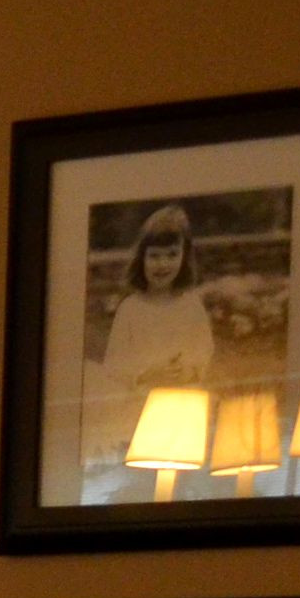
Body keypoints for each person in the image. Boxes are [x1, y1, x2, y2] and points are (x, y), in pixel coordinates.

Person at [90, 204, 216, 499]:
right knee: (143, 488)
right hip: (139, 415)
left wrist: (188, 369)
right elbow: (115, 365)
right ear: (142, 258)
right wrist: (148, 374)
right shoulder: (131, 310)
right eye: (155, 256)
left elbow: (203, 349)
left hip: (183, 412)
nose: (163, 265)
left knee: (179, 487)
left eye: (172, 255)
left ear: (184, 257)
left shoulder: (191, 306)